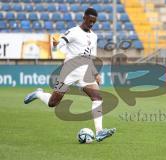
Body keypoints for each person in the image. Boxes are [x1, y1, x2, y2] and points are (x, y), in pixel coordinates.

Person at [24, 8, 116, 142]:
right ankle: (38, 93)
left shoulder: (94, 36)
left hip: (85, 71)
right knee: (53, 103)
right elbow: (61, 42)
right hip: (69, 70)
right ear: (84, 17)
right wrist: (57, 43)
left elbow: (91, 56)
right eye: (90, 21)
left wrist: (96, 73)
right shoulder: (73, 32)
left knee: (97, 97)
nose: (91, 24)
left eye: (94, 22)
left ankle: (100, 131)